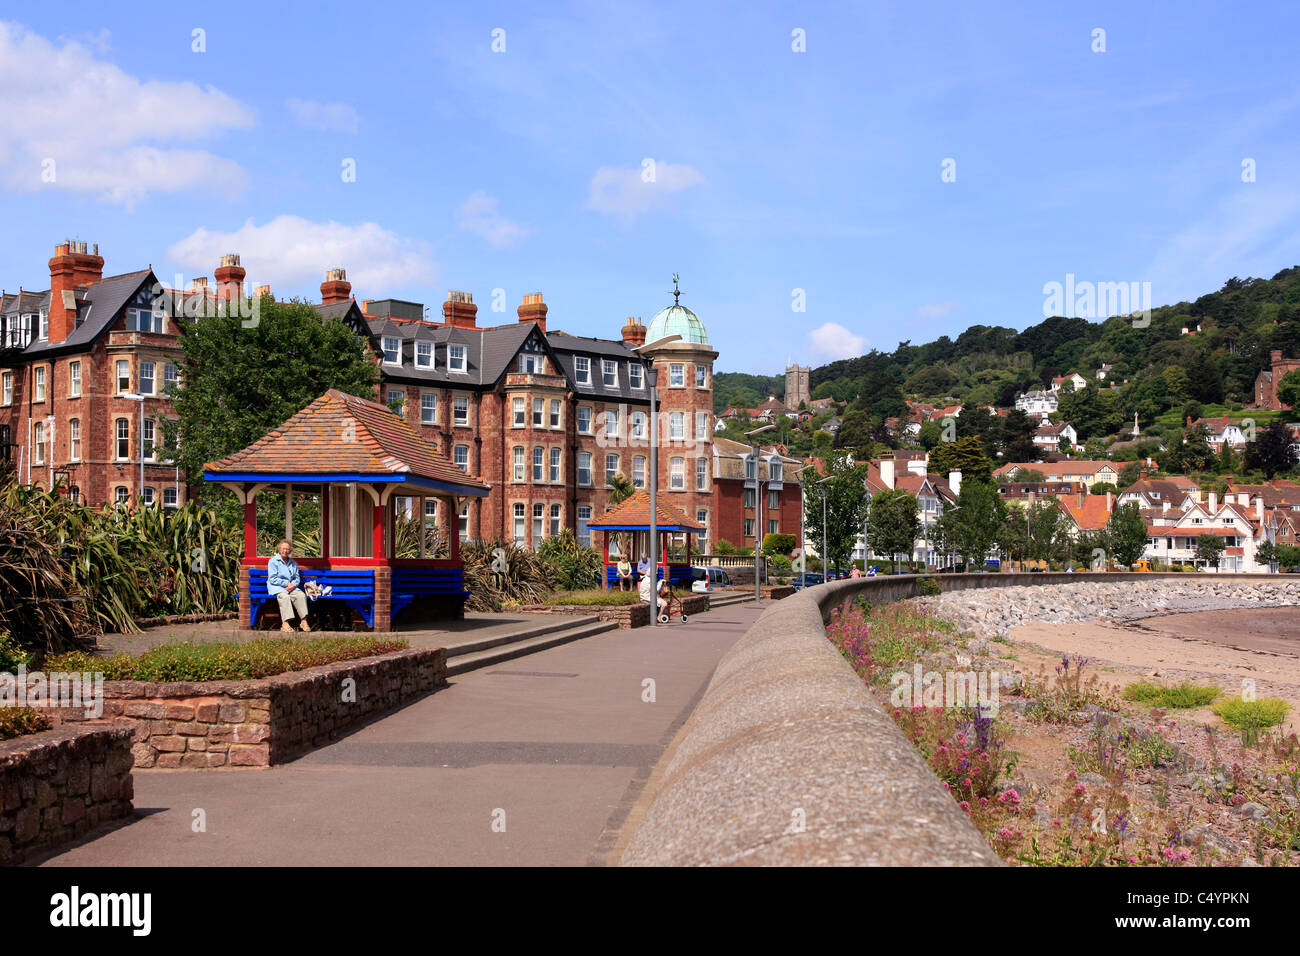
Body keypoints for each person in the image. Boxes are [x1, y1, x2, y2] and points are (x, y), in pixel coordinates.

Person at [267, 539, 311, 632]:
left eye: (287, 549)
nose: (285, 551)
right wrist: (286, 583)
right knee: (284, 597)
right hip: (277, 587)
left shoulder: (293, 563)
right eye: (283, 549)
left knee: (301, 595)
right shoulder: (273, 561)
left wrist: (293, 585)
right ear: (279, 549)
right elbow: (273, 579)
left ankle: (303, 621)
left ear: (290, 551)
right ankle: (285, 624)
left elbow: (297, 578)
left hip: (291, 588)